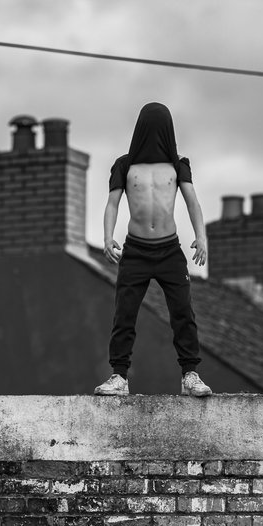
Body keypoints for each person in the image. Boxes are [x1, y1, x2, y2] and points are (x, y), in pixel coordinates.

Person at [94, 102, 212, 397]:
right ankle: (119, 376)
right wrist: (107, 238)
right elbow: (112, 204)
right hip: (135, 251)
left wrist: (202, 236)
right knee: (125, 314)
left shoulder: (178, 165)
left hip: (169, 250)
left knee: (183, 312)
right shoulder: (124, 165)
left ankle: (190, 375)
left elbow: (192, 202)